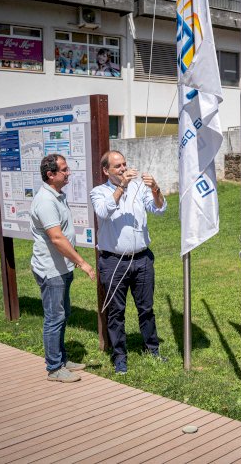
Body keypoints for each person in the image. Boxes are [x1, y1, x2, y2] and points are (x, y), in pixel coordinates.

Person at [89, 151, 167, 375]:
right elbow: (104, 212)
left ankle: (152, 349)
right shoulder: (99, 192)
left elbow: (159, 209)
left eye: (124, 164)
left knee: (146, 309)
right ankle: (119, 357)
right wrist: (121, 186)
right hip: (113, 262)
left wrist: (156, 190)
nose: (123, 168)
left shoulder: (138, 187)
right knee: (116, 312)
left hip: (142, 259)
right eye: (117, 166)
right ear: (106, 171)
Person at [30, 154, 97, 382]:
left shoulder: (57, 196)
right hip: (51, 271)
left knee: (63, 314)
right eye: (64, 170)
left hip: (62, 268)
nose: (69, 173)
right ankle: (54, 368)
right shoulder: (46, 202)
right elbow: (57, 239)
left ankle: (61, 357)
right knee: (54, 317)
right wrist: (83, 263)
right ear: (51, 174)